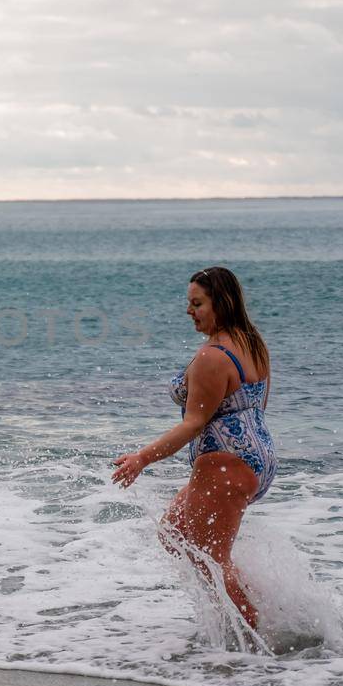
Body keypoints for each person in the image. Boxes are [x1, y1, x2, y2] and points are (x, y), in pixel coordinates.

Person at [112, 266, 275, 629]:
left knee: (212, 561)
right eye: (189, 302)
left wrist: (142, 458)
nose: (189, 310)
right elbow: (259, 401)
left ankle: (253, 642)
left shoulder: (212, 357)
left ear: (222, 303)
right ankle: (261, 606)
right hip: (256, 457)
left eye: (197, 303)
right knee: (174, 532)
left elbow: (193, 424)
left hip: (225, 463)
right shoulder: (252, 341)